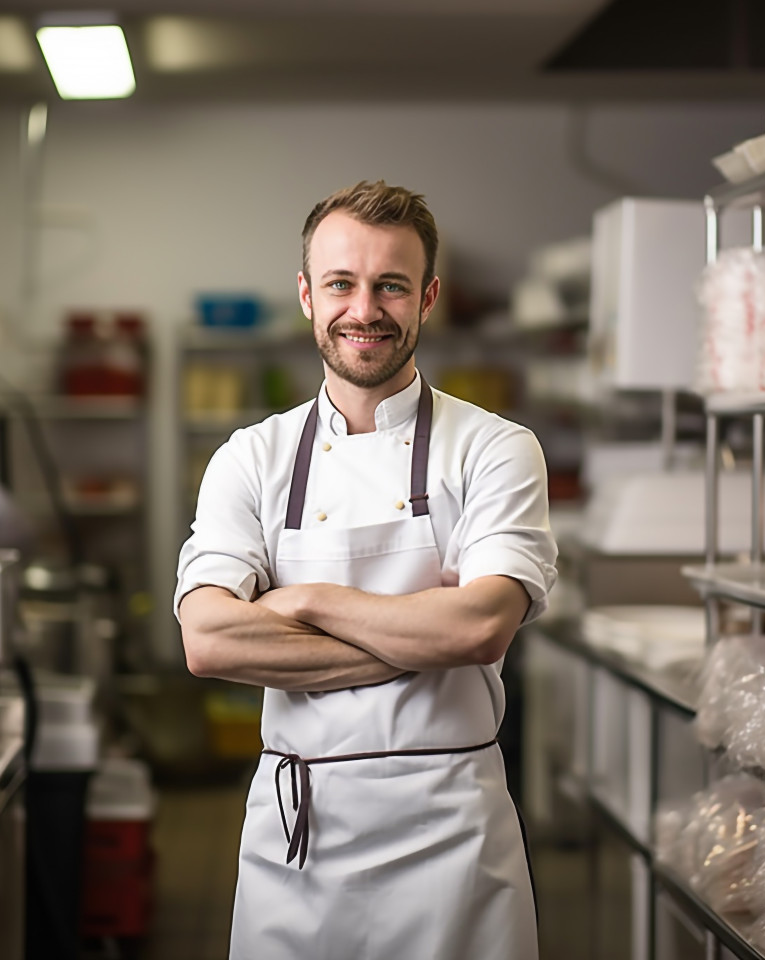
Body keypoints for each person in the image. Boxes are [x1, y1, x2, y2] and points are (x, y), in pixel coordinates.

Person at [175, 180, 558, 960]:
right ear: (308, 297)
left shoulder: (495, 447)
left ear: (428, 298)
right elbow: (209, 641)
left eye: (392, 285)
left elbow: (481, 628)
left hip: (451, 832)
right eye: (342, 283)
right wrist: (423, 633)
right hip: (299, 836)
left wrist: (302, 599)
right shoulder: (251, 457)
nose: (366, 308)